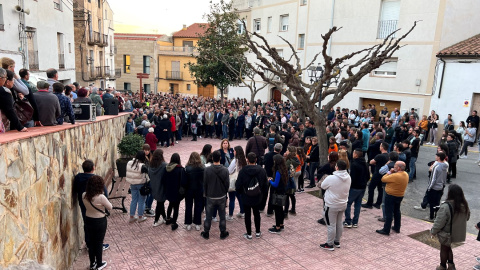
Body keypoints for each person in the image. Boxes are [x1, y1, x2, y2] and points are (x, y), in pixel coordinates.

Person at [73, 160, 110, 253]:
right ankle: (98, 245)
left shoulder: (78, 177)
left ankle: (89, 244)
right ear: (93, 168)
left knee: (87, 224)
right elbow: (105, 194)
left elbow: (75, 189)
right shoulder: (96, 179)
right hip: (96, 206)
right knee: (98, 228)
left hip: (83, 203)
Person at [431, 184, 470, 270]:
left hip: (446, 233)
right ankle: (451, 265)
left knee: (444, 249)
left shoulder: (446, 206)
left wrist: (433, 232)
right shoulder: (464, 205)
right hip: (457, 233)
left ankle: (442, 266)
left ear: (450, 194)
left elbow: (439, 222)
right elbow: (467, 218)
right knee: (448, 247)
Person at [320, 160, 351, 250]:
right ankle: (337, 241)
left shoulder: (331, 178)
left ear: (337, 167)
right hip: (343, 203)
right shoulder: (348, 177)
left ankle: (329, 244)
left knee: (331, 224)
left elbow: (323, 186)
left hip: (331, 205)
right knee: (339, 223)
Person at [236, 152, 268, 239]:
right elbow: (265, 185)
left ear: (247, 159)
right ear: (256, 159)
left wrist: (240, 193)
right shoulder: (262, 170)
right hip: (258, 196)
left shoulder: (243, 171)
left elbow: (238, 184)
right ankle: (258, 232)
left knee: (247, 215)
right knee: (257, 214)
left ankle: (249, 233)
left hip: (246, 196)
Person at [82, 175, 111, 270]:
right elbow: (110, 207)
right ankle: (99, 263)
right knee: (98, 242)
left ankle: (92, 263)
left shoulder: (84, 195)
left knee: (91, 243)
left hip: (88, 219)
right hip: (99, 221)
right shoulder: (101, 197)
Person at [201, 150, 230, 240]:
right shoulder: (225, 170)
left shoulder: (207, 170)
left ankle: (206, 232)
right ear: (220, 158)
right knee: (222, 216)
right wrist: (225, 193)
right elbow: (227, 184)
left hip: (210, 196)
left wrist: (206, 193)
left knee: (208, 216)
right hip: (221, 196)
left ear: (212, 158)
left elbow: (204, 183)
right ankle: (223, 232)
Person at [376, 161, 409, 236]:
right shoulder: (405, 174)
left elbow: (383, 179)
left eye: (395, 166)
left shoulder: (395, 176)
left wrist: (389, 172)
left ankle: (386, 229)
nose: (393, 167)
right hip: (400, 195)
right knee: (397, 211)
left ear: (399, 168)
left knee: (389, 213)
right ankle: (397, 227)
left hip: (391, 195)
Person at [414, 152, 448, 221]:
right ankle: (437, 217)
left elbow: (433, 179)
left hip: (434, 187)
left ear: (439, 157)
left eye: (436, 156)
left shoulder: (436, 167)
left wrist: (429, 188)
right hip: (441, 186)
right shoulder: (445, 165)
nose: (435, 157)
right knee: (437, 202)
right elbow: (445, 176)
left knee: (432, 203)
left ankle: (431, 217)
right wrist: (443, 185)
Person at [344, 149, 369, 228]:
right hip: (362, 187)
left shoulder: (354, 164)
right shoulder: (365, 163)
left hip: (354, 187)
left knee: (347, 203)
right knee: (358, 204)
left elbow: (352, 177)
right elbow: (368, 176)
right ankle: (355, 222)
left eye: (354, 153)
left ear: (356, 154)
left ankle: (348, 221)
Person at [163, 153, 186, 231]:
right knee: (176, 207)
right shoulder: (180, 169)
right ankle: (174, 223)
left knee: (170, 204)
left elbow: (164, 180)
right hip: (177, 192)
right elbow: (183, 181)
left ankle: (168, 218)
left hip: (168, 191)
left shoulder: (166, 168)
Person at [362, 142, 389, 209]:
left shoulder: (379, 156)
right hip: (384, 174)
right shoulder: (388, 156)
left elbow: (371, 162)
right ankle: (378, 203)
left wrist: (375, 163)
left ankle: (369, 203)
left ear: (382, 147)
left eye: (380, 146)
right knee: (380, 189)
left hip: (377, 173)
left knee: (371, 187)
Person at [268, 155, 289, 234]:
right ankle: (281, 224)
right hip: (282, 191)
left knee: (277, 210)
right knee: (280, 209)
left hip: (277, 192)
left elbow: (275, 184)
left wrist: (270, 181)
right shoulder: (284, 169)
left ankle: (277, 227)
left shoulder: (278, 171)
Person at [126, 151, 148, 223]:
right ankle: (140, 217)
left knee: (134, 200)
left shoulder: (129, 163)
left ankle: (131, 217)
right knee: (141, 201)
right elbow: (147, 174)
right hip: (141, 184)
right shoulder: (142, 165)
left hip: (132, 184)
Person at [148, 149, 168, 227]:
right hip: (162, 187)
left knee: (160, 202)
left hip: (154, 186)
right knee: (160, 203)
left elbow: (149, 175)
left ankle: (164, 217)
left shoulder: (151, 165)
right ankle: (156, 220)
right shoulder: (164, 165)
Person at [227, 146, 247, 220]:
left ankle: (230, 215)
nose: (233, 152)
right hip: (241, 181)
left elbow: (229, 170)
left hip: (234, 181)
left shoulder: (235, 160)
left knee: (232, 199)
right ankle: (242, 212)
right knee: (240, 197)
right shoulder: (244, 161)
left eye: (234, 151)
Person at [284, 146, 300, 218]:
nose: (286, 151)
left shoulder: (288, 161)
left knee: (286, 197)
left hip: (288, 180)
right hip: (292, 179)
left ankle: (285, 212)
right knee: (292, 196)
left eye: (287, 150)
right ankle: (293, 209)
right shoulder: (295, 160)